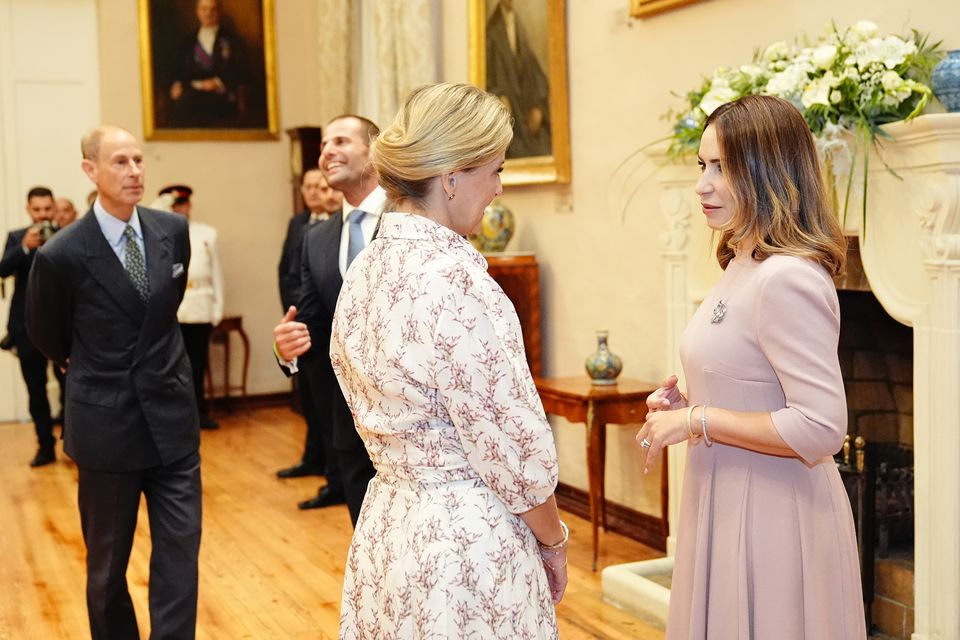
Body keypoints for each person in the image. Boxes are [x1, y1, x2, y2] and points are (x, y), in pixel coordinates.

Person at [329, 83, 567, 637]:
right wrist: (553, 540)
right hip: (465, 544)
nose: (500, 188)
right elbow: (512, 445)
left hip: (390, 525)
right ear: (451, 176)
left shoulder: (365, 271)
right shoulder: (460, 284)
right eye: (495, 171)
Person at [636, 95, 865, 639]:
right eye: (702, 166)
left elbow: (822, 425)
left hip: (776, 519)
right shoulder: (741, 261)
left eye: (722, 167)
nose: (702, 184)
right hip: (725, 498)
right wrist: (685, 406)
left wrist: (696, 421)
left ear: (768, 174)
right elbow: (750, 387)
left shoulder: (787, 278)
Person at [26, 125, 202, 639]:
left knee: (179, 559)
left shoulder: (172, 229)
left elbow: (165, 309)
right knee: (107, 569)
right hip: (107, 426)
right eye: (121, 162)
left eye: (139, 160)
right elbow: (48, 336)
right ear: (90, 171)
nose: (134, 172)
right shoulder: (59, 254)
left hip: (173, 420)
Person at [272, 114, 384, 519]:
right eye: (322, 145)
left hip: (414, 425)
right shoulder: (315, 240)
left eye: (340, 141)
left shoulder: (411, 218)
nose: (327, 152)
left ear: (373, 152)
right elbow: (315, 324)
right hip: (349, 423)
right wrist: (288, 346)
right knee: (367, 556)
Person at [276, 168, 343, 478]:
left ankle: (333, 475)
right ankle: (316, 461)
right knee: (312, 404)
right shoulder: (301, 226)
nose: (321, 194)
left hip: (333, 332)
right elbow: (288, 272)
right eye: (313, 187)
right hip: (305, 326)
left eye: (326, 187)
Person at [1, 186, 60, 467]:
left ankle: (74, 444)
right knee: (36, 390)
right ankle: (45, 446)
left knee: (72, 387)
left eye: (47, 209)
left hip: (63, 324)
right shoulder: (16, 237)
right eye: (37, 210)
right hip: (25, 326)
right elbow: (3, 269)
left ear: (54, 208)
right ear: (28, 210)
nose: (42, 215)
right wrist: (25, 246)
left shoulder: (67, 234)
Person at [160, 184, 225, 430]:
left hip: (200, 307)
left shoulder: (207, 233)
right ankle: (177, 416)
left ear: (189, 205)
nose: (179, 209)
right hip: (175, 309)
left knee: (197, 365)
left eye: (183, 204)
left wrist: (217, 308)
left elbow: (217, 273)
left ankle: (199, 413)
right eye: (174, 205)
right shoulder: (161, 233)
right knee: (174, 366)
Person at [486, 0, 551, 158]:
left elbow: (534, 72)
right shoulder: (492, 31)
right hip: (510, 114)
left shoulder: (518, 25)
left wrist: (538, 106)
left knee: (543, 148)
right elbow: (488, 79)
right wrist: (500, 98)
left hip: (526, 111)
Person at [167, 0, 245, 128]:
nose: (208, 14)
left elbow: (241, 69)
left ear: (219, 12)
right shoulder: (188, 41)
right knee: (181, 107)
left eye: (212, 10)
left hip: (221, 95)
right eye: (204, 9)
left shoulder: (232, 40)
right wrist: (177, 83)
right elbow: (179, 69)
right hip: (191, 92)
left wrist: (218, 82)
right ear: (197, 12)